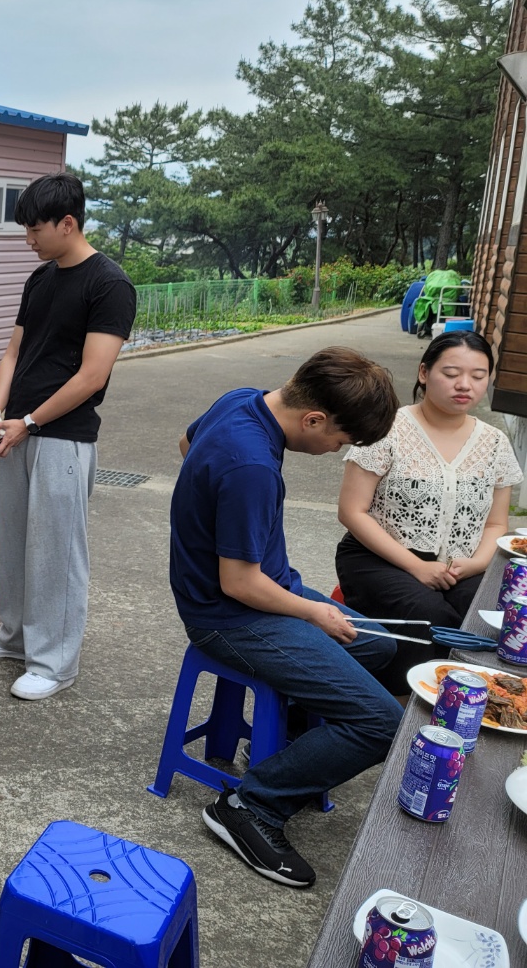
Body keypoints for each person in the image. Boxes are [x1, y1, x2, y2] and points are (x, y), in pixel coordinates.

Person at [170, 347, 403, 888]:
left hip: (262, 591)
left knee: (379, 644)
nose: (335, 450)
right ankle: (250, 807)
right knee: (381, 723)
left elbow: (186, 445)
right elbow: (239, 583)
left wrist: (213, 516)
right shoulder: (251, 465)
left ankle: (287, 745)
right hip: (229, 615)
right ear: (314, 419)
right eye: (340, 440)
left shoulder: (242, 400)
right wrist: (314, 613)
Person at [0, 172, 136, 701]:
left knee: (55, 552)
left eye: (35, 229)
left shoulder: (109, 284)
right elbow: (13, 352)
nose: (28, 240)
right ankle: (16, 636)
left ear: (68, 223)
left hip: (62, 436)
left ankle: (55, 663)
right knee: (12, 541)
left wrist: (31, 421)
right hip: (16, 430)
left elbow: (93, 375)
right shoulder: (40, 278)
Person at [337, 331, 522, 686]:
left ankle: (477, 702)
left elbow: (497, 524)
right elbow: (351, 511)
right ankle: (406, 702)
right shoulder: (387, 429)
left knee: (486, 615)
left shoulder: (495, 443)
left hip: (462, 567)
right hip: (379, 559)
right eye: (451, 374)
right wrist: (417, 566)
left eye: (478, 376)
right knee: (428, 616)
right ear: (424, 373)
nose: (464, 385)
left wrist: (476, 564)